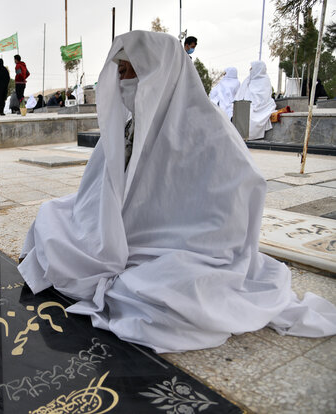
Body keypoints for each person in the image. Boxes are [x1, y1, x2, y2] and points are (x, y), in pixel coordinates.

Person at [18, 31, 336, 354]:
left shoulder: (211, 133)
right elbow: (95, 192)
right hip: (121, 235)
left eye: (129, 71)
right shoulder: (130, 125)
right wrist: (103, 229)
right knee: (52, 218)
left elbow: (235, 207)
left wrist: (175, 240)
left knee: (167, 290)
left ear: (157, 72)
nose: (121, 80)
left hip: (183, 249)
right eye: (120, 71)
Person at [234, 61, 276, 140]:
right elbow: (241, 94)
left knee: (250, 117)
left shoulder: (265, 80)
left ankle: (247, 136)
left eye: (252, 68)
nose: (250, 69)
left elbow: (264, 97)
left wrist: (254, 104)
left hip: (261, 107)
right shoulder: (248, 79)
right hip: (247, 104)